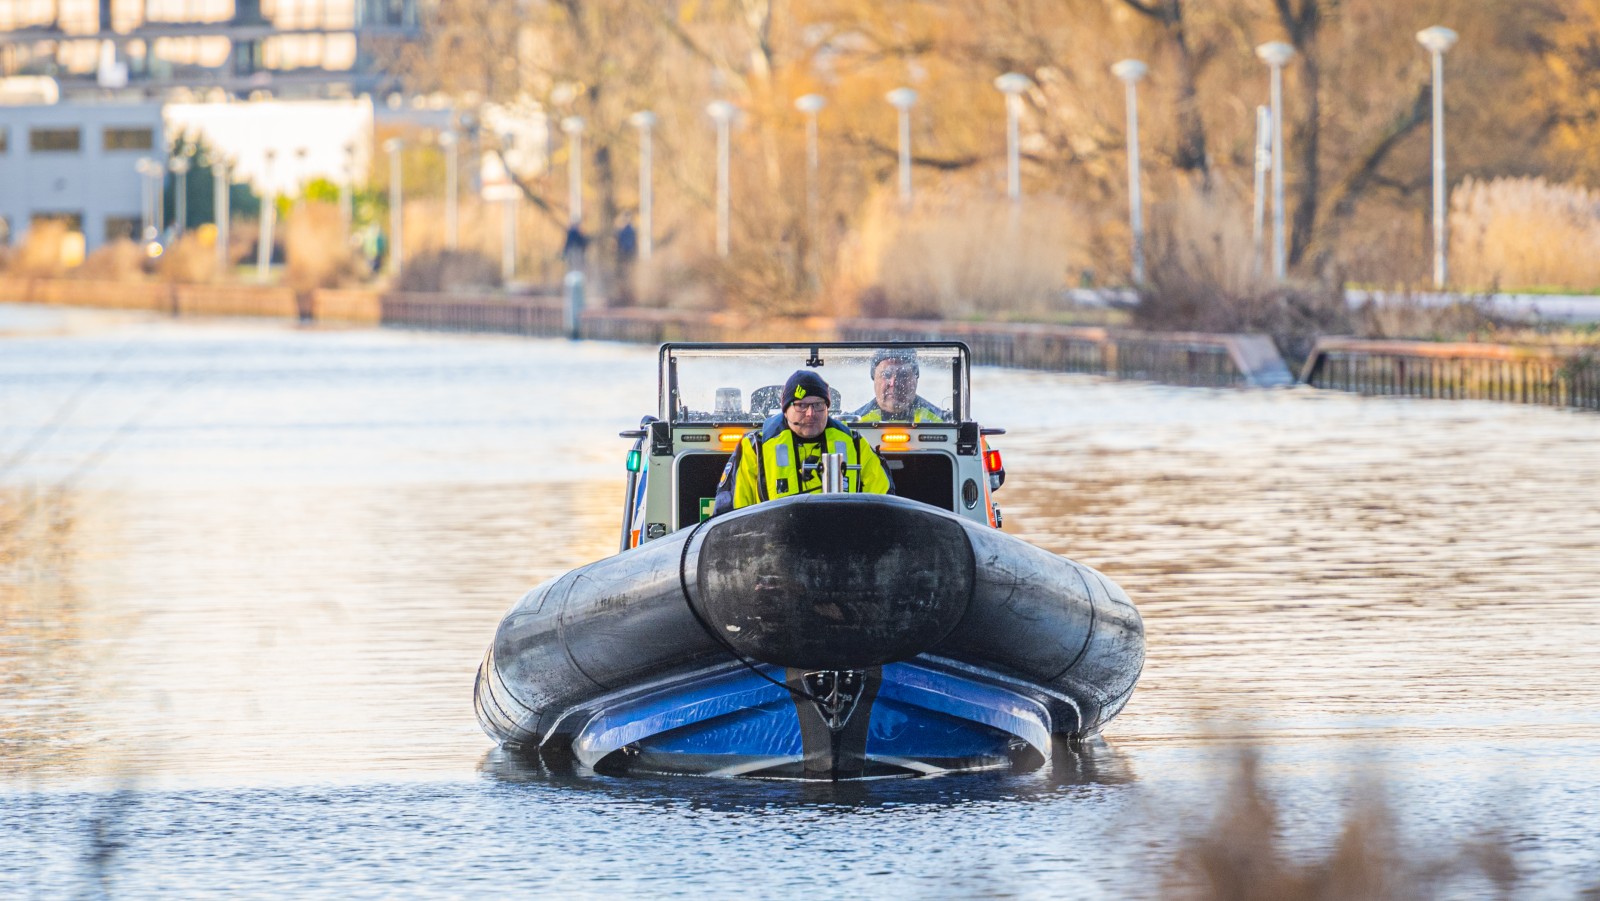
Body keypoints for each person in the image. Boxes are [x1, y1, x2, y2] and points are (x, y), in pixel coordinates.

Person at [714, 370, 892, 514]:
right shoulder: (755, 448)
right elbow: (732, 515)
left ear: (827, 407)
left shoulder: (855, 444)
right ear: (785, 410)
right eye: (801, 405)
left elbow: (885, 504)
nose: (810, 413)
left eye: (818, 405)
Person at [853, 347, 944, 422]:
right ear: (874, 378)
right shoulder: (853, 423)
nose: (893, 383)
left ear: (916, 379)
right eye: (886, 375)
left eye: (903, 375)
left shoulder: (944, 422)